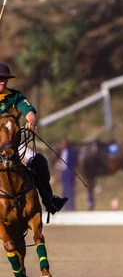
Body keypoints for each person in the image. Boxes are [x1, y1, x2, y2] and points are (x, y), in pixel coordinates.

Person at [0, 62, 68, 215]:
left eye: (5, 79)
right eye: (0, 79)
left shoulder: (15, 96)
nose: (3, 81)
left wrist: (31, 123)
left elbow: (30, 114)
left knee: (39, 161)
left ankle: (49, 201)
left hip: (13, 145)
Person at [59, 137, 78, 211]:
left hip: (69, 172)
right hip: (64, 172)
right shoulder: (62, 151)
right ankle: (65, 206)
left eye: (64, 142)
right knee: (64, 189)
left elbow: (75, 163)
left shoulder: (72, 151)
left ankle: (71, 206)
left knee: (70, 189)